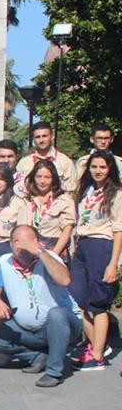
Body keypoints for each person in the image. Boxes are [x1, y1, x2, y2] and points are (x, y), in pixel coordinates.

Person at [0, 225, 81, 388]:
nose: (21, 246)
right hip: (27, 331)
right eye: (17, 241)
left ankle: (54, 371)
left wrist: (40, 252)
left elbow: (65, 280)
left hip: (61, 326)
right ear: (10, 243)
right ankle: (36, 356)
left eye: (27, 241)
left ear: (36, 242)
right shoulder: (4, 262)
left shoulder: (49, 258)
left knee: (56, 314)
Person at [68, 150, 122, 372]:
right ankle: (97, 345)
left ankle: (97, 354)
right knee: (75, 299)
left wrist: (113, 263)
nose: (98, 171)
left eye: (102, 167)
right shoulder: (88, 192)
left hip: (102, 246)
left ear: (110, 169)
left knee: (98, 304)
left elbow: (119, 230)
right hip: (82, 246)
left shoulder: (116, 194)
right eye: (94, 167)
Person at [25, 160, 75, 260]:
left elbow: (67, 230)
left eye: (47, 177)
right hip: (31, 252)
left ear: (53, 179)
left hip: (55, 251)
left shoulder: (64, 200)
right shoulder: (27, 199)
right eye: (39, 177)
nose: (42, 181)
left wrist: (53, 255)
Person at [17, 121, 78, 194]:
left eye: (44, 136)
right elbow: (18, 190)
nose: (41, 140)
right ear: (33, 139)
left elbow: (70, 192)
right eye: (37, 137)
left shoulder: (65, 162)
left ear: (52, 137)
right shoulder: (24, 163)